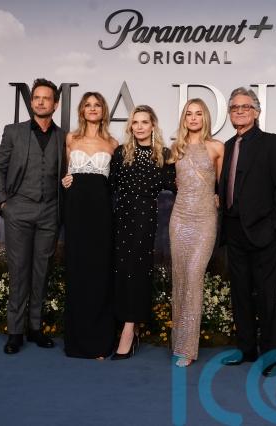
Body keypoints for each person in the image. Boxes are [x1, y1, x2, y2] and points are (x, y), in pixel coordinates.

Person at [218, 87, 276, 377]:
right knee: (240, 293)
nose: (239, 111)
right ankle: (246, 349)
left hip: (263, 232)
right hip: (233, 230)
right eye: (234, 107)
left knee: (266, 296)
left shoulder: (273, 143)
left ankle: (269, 356)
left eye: (245, 107)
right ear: (229, 113)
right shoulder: (227, 146)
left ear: (257, 112)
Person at [0, 78, 64, 354]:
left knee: (41, 272)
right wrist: (4, 203)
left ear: (55, 104)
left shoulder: (63, 137)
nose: (41, 102)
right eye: (37, 98)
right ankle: (15, 332)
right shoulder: (13, 132)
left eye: (47, 98)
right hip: (18, 209)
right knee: (19, 271)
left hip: (50, 212)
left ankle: (35, 328)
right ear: (32, 101)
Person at [108, 105, 175, 360]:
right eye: (135, 122)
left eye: (144, 122)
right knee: (121, 270)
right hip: (121, 217)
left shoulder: (164, 155)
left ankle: (129, 329)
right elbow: (109, 185)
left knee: (137, 270)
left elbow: (176, 185)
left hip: (145, 218)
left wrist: (210, 193)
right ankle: (129, 324)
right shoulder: (121, 152)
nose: (139, 127)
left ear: (153, 125)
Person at [61, 92, 118, 359]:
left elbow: (115, 184)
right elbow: (64, 173)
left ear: (103, 111)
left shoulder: (113, 143)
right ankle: (76, 342)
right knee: (77, 270)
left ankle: (99, 342)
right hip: (75, 211)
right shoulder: (71, 139)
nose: (92, 109)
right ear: (82, 111)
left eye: (97, 105)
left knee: (99, 272)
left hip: (101, 213)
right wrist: (65, 181)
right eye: (88, 105)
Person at [169, 99, 224, 367]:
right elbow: (173, 182)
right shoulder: (175, 149)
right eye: (189, 114)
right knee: (180, 279)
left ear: (205, 118)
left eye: (198, 114)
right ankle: (179, 341)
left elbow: (224, 185)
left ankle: (188, 348)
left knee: (193, 277)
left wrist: (217, 197)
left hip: (204, 220)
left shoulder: (216, 147)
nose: (193, 118)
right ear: (184, 119)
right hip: (179, 218)